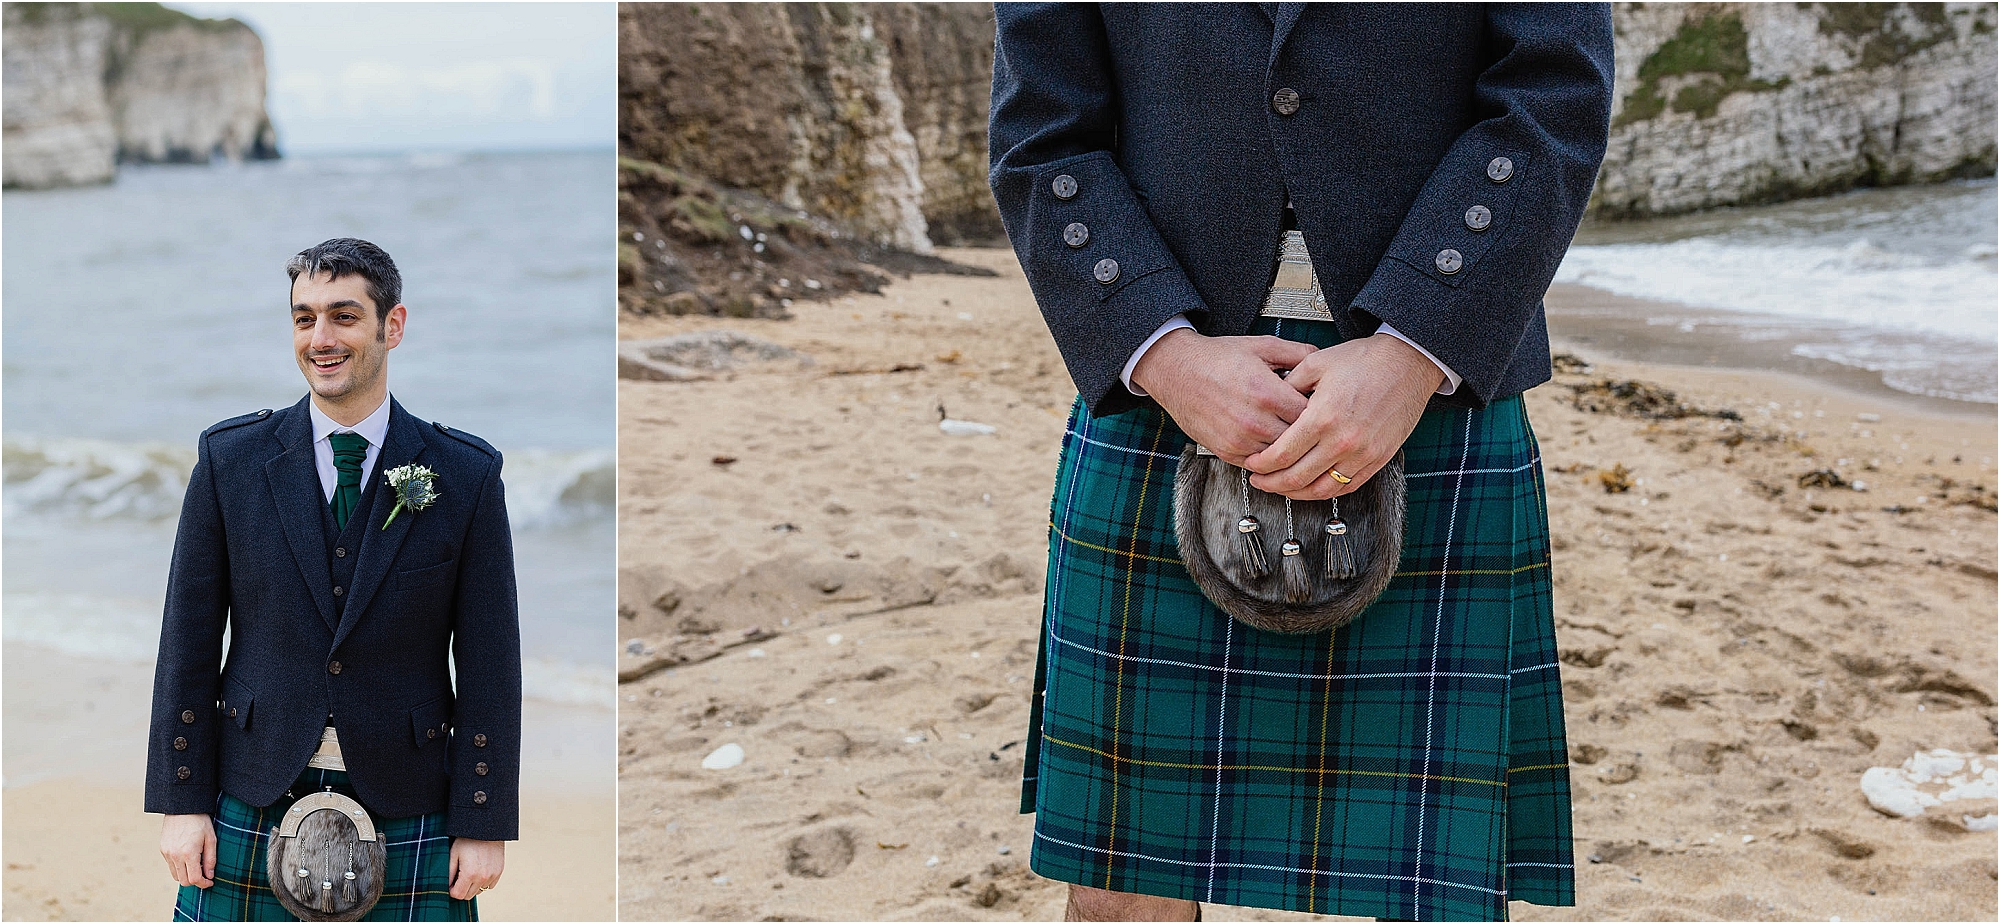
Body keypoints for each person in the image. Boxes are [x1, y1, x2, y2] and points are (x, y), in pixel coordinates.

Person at [990, 5, 1613, 921]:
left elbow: (1555, 92)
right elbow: (1041, 133)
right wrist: (1164, 354)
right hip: (1167, 385)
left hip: (1432, 380)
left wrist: (1414, 349)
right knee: (1120, 887)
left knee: (1432, 884)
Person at [147, 238, 522, 921]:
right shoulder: (230, 460)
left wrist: (483, 817)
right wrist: (181, 801)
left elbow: (491, 665)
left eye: (344, 316)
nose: (321, 338)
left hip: (412, 799)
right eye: (304, 318)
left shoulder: (465, 474)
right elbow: (188, 646)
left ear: (393, 326)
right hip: (250, 789)